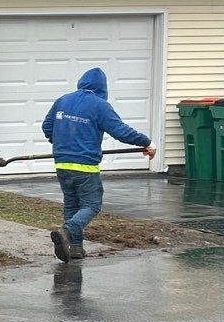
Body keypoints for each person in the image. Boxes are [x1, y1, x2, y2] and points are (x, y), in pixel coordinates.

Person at [41, 68, 154, 263]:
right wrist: (146, 142)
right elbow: (120, 131)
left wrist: (62, 144)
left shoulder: (63, 100)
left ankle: (75, 248)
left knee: (72, 204)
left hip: (61, 164)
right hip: (85, 166)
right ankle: (66, 232)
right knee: (92, 205)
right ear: (103, 88)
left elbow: (47, 127)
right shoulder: (100, 105)